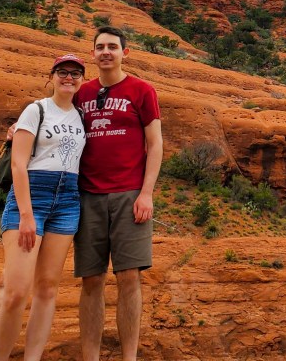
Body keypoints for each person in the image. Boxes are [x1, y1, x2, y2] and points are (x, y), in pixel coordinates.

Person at [74, 26, 162, 361]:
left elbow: (155, 144)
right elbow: (54, 118)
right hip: (88, 196)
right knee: (91, 280)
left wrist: (146, 193)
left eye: (112, 46)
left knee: (129, 277)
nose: (106, 52)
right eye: (100, 47)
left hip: (129, 195)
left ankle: (129, 357)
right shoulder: (82, 93)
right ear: (93, 54)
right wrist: (18, 129)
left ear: (126, 53)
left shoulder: (142, 90)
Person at [0, 54, 88, 361]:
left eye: (75, 73)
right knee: (16, 293)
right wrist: (26, 215)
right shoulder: (36, 109)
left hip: (68, 201)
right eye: (63, 72)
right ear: (52, 76)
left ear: (82, 80)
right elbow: (18, 165)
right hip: (32, 195)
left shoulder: (82, 116)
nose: (69, 77)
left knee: (47, 289)